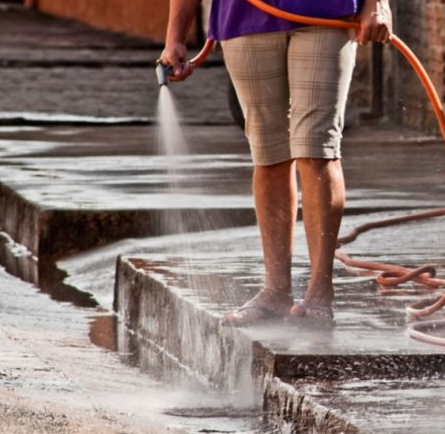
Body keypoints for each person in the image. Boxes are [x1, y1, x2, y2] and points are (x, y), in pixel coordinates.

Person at [159, 0, 392, 326]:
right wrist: (175, 37)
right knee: (268, 155)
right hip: (243, 17)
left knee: (317, 148)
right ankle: (276, 292)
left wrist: (377, 3)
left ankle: (320, 292)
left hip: (326, 12)